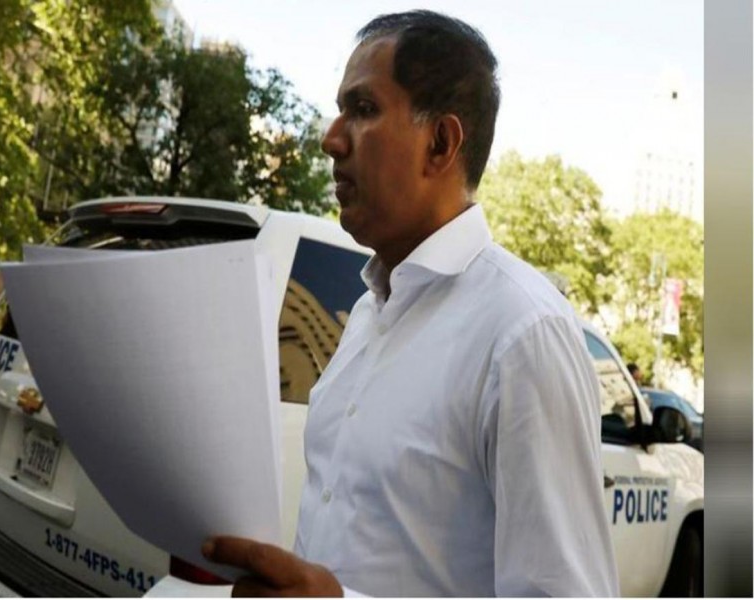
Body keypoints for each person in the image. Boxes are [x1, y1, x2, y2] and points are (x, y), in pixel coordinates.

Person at [202, 10, 619, 596]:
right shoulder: (369, 312)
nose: (331, 138)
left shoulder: (524, 332)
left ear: (442, 142)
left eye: (363, 109)